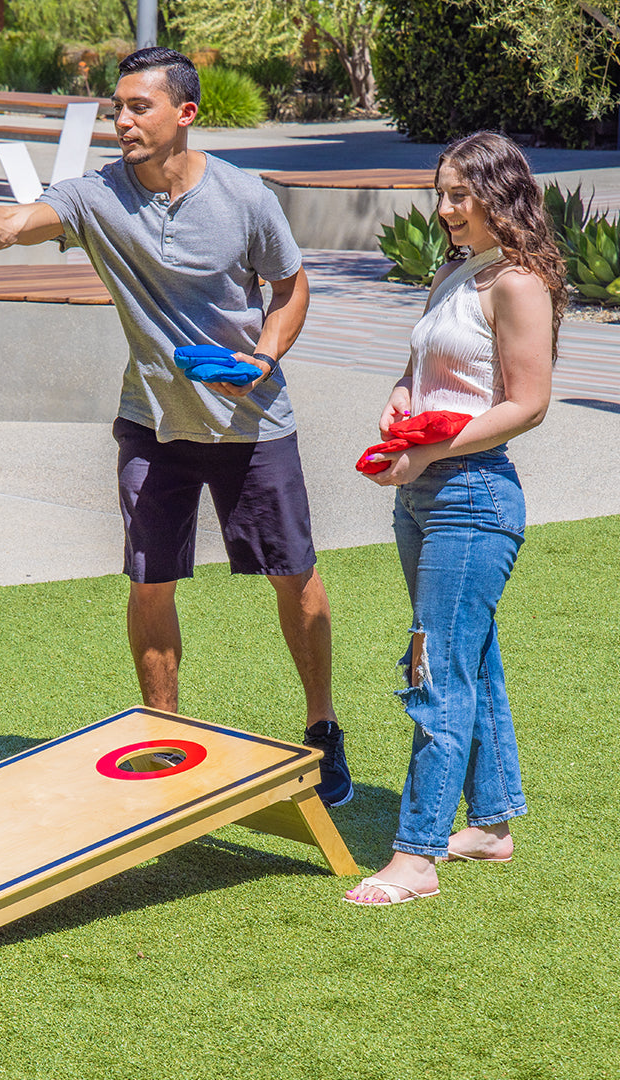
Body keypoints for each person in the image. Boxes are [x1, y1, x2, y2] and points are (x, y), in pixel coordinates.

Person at [0, 47, 353, 807]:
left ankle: (322, 726)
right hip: (151, 421)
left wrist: (262, 354)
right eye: (117, 108)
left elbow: (291, 286)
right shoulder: (97, 197)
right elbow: (12, 226)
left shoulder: (244, 197)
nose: (121, 121)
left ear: (184, 114)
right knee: (150, 580)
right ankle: (164, 736)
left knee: (293, 574)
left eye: (138, 107)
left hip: (251, 420)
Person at [345, 131, 567, 905]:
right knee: (470, 661)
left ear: (497, 197)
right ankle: (494, 824)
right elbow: (427, 367)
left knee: (433, 666)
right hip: (424, 491)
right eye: (441, 194)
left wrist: (429, 455)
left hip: (472, 495)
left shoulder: (518, 284)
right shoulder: (451, 269)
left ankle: (417, 854)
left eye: (458, 196)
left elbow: (526, 404)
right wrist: (401, 397)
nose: (443, 210)